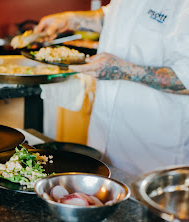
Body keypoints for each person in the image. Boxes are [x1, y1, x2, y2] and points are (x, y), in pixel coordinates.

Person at [34, 0, 189, 176]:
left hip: (153, 152)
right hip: (102, 138)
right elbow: (113, 17)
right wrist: (71, 19)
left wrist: (123, 70)